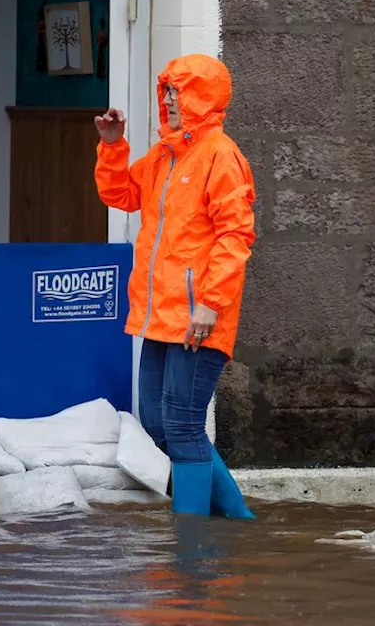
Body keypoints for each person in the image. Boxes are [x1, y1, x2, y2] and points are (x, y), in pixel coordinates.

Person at [93, 53, 256, 519]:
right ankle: (236, 520)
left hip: (199, 317)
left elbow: (236, 235)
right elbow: (122, 195)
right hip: (160, 316)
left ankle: (191, 538)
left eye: (176, 91)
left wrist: (210, 304)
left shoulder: (221, 156)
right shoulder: (166, 154)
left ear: (202, 97)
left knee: (182, 425)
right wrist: (112, 145)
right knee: (161, 423)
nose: (168, 99)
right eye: (165, 90)